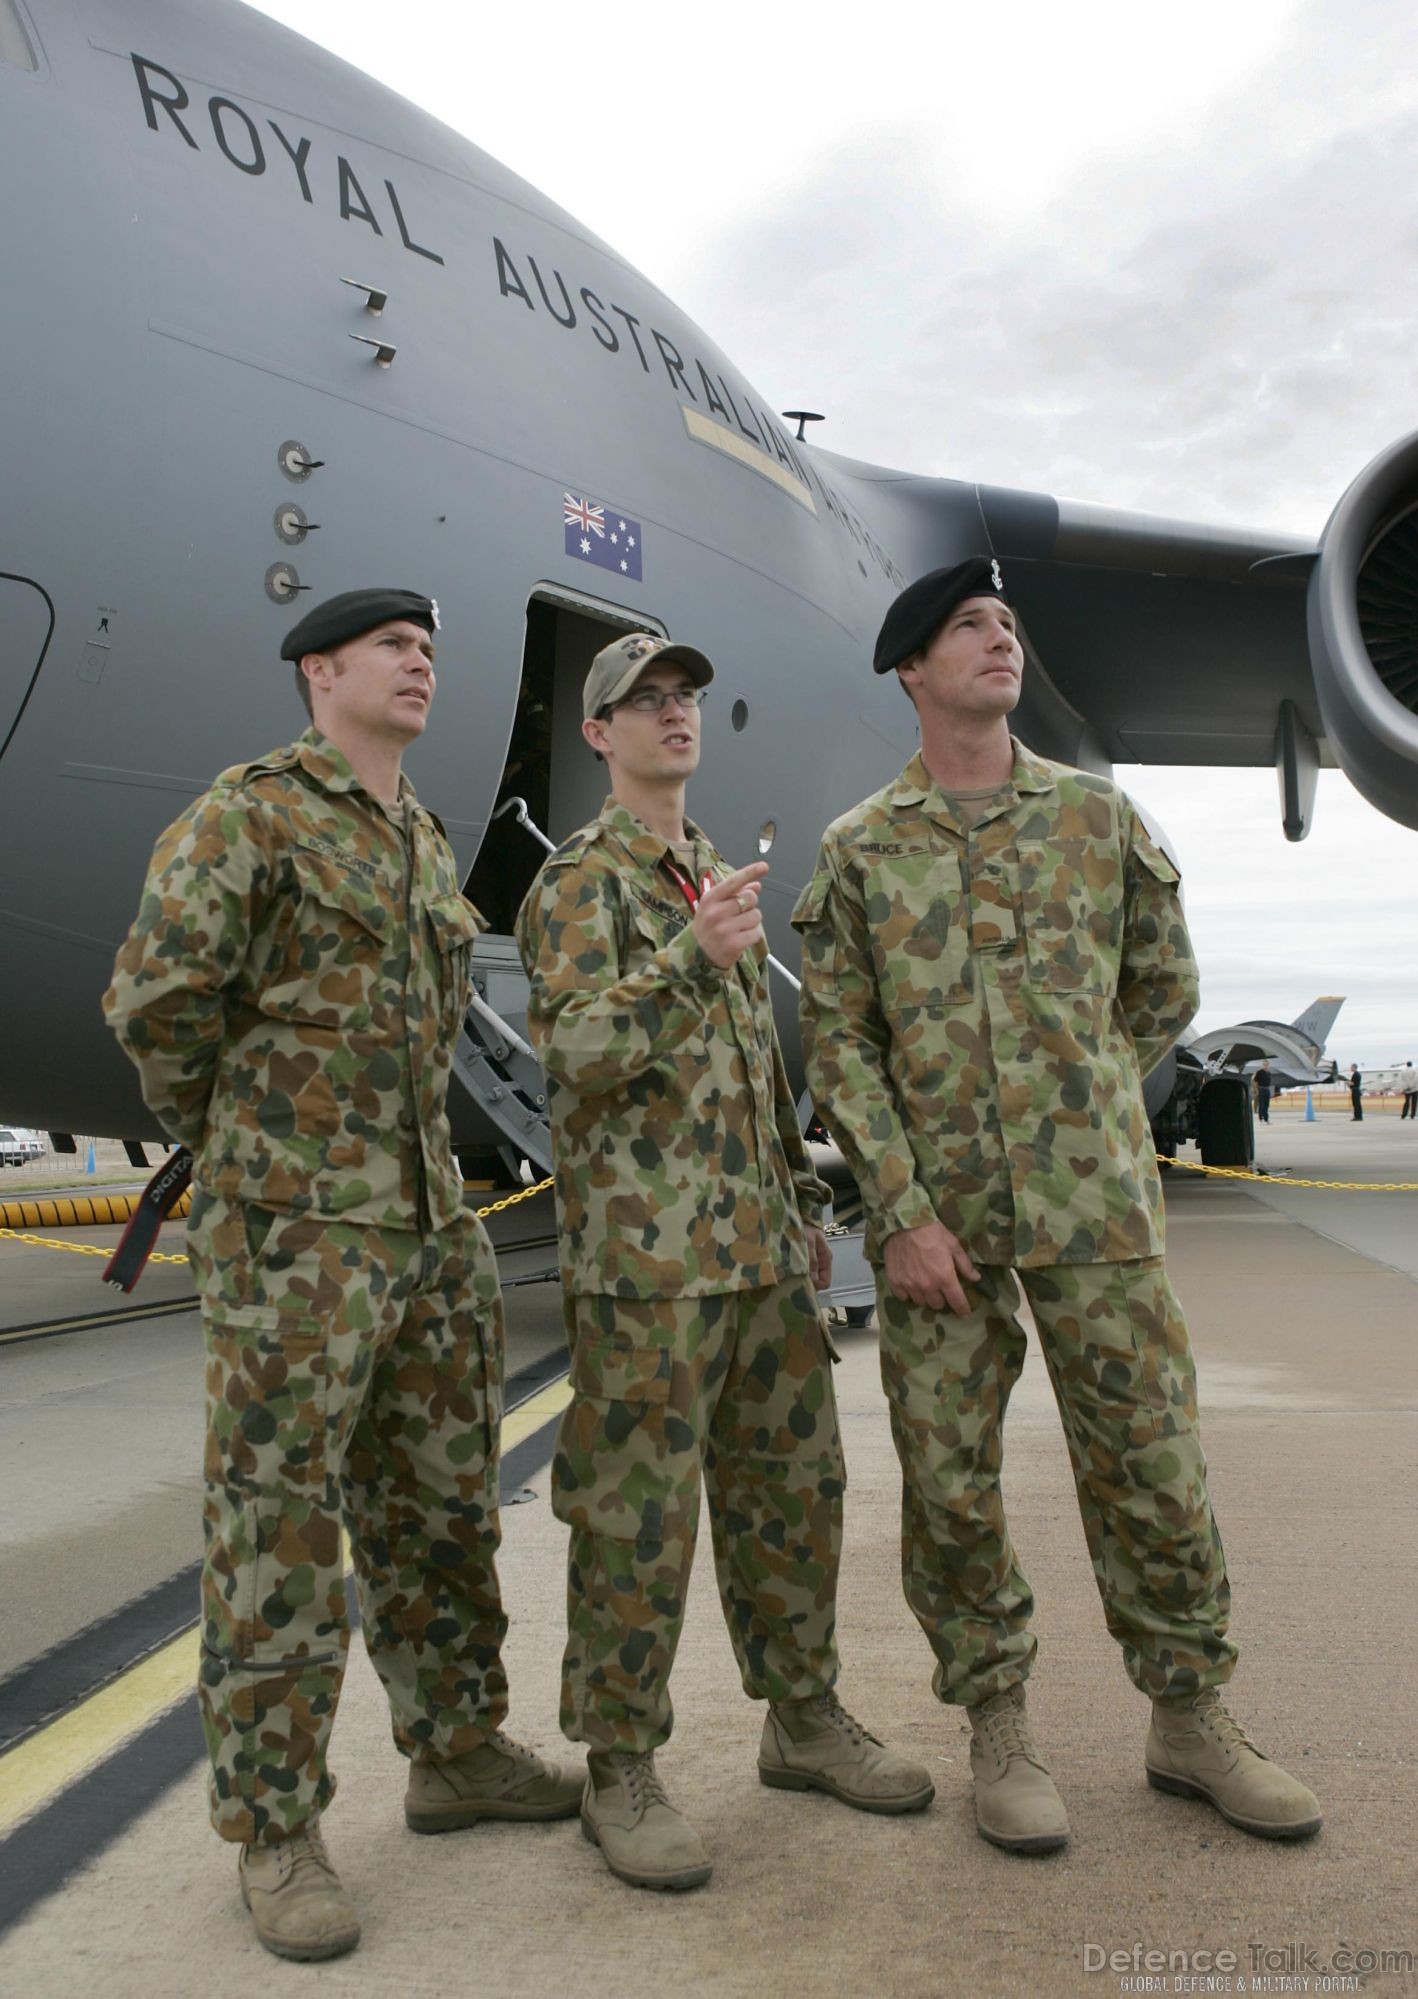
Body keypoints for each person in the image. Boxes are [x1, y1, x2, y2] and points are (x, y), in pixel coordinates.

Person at [792, 557, 1322, 1855]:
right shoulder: (862, 848)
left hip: (1096, 1204)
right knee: (951, 1478)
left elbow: (1160, 990)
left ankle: (1188, 1714)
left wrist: (1073, 1104)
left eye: (1006, 624)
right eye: (968, 626)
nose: (998, 640)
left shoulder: (1096, 820)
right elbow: (839, 1046)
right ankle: (997, 1725)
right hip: (938, 1230)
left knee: (1148, 1458)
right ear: (912, 669)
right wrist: (902, 1205)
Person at [104, 590, 580, 1962]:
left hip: (431, 1227)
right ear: (321, 671)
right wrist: (257, 1146)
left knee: (440, 1506)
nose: (422, 661)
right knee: (282, 1527)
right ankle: (275, 1822)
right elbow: (158, 1006)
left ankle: (457, 1750)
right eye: (393, 647)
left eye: (428, 647)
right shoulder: (245, 814)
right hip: (299, 1229)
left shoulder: (425, 837)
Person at [515, 632, 933, 1893]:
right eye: (642, 702)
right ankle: (619, 1764)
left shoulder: (711, 870)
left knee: (794, 1500)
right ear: (597, 734)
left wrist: (801, 1198)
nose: (672, 715)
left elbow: (750, 1075)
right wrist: (685, 958)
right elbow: (580, 1051)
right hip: (647, 1273)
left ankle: (801, 1719)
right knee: (636, 1526)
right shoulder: (580, 885)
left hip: (758, 1255)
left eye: (684, 697)